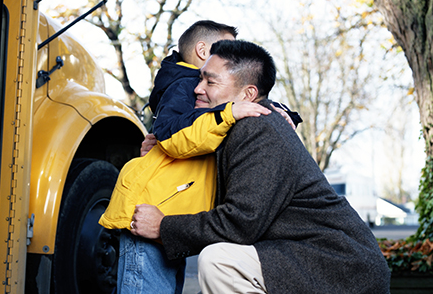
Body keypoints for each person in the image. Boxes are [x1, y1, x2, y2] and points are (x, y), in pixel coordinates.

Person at [131, 39, 390, 293]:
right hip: (297, 258)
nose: (197, 89)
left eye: (210, 81)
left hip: (337, 265)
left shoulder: (258, 128)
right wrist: (161, 153)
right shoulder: (227, 130)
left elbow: (240, 223)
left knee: (219, 263)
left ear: (248, 94)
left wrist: (163, 226)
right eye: (199, 79)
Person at [100, 21, 300, 294]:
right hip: (152, 208)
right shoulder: (184, 84)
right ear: (203, 51)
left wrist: (275, 108)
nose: (202, 89)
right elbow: (174, 134)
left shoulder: (200, 89)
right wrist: (229, 112)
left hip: (170, 212)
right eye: (224, 47)